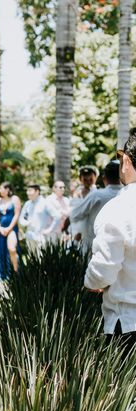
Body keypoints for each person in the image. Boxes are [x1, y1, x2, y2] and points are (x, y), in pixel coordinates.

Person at [84, 130, 136, 348]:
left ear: (126, 160)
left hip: (127, 323)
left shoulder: (118, 208)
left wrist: (90, 281)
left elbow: (103, 271)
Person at [70, 161, 122, 252]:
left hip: (95, 248)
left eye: (90, 178)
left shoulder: (96, 195)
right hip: (122, 249)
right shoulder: (130, 195)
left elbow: (74, 216)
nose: (87, 180)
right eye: (85, 178)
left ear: (103, 178)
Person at [19, 184, 60, 253]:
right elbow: (21, 219)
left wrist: (49, 230)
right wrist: (26, 223)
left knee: (40, 260)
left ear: (37, 191)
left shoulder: (45, 202)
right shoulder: (27, 204)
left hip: (41, 237)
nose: (27, 193)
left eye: (30, 191)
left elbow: (57, 216)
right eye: (27, 191)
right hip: (29, 236)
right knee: (31, 260)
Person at [0, 181, 21, 280]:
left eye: (1, 188)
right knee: (1, 250)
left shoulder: (15, 199)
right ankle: (2, 274)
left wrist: (9, 228)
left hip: (11, 228)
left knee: (12, 249)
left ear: (7, 189)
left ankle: (15, 272)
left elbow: (16, 215)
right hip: (1, 229)